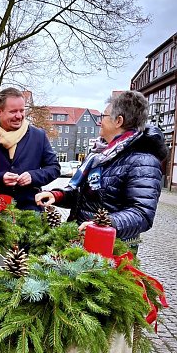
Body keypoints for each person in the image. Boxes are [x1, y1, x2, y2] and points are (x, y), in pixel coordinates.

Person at [35, 90, 168, 248]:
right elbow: (85, 196)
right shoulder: (100, 154)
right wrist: (57, 195)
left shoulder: (143, 161)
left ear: (118, 121)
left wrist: (102, 225)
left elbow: (141, 214)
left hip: (111, 250)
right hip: (82, 241)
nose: (100, 122)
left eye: (103, 116)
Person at [0, 87, 60, 211]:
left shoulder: (38, 136)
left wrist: (33, 176)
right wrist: (0, 178)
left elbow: (54, 168)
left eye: (22, 110)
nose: (19, 116)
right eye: (13, 111)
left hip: (31, 211)